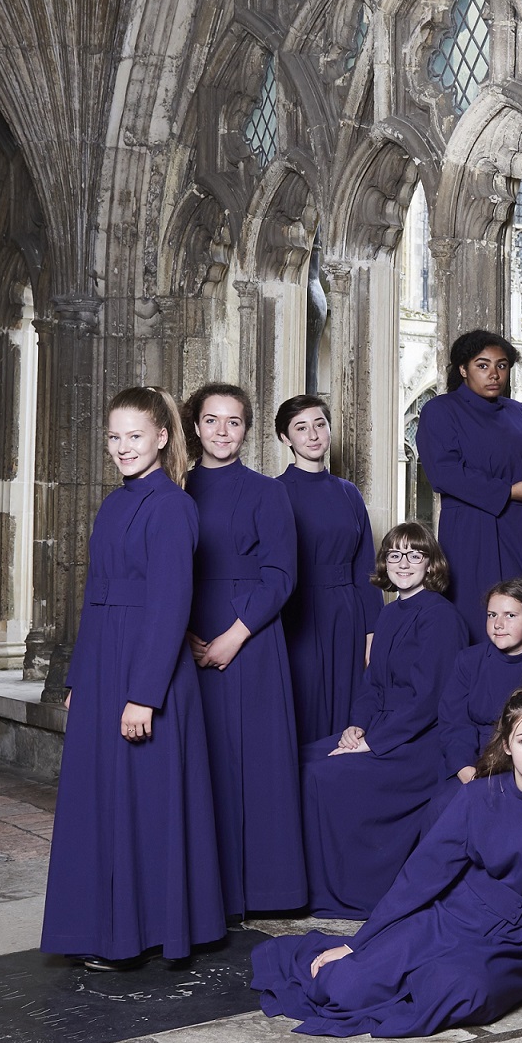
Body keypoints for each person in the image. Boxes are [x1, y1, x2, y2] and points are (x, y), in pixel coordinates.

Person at [251, 689, 522, 1037]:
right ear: (508, 745)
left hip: (516, 945)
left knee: (457, 992)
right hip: (450, 920)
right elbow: (419, 877)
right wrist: (358, 943)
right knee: (340, 986)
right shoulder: (477, 796)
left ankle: (418, 978)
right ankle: (377, 964)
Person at [42, 387, 222, 971]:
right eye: (114, 437)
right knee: (101, 802)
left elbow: (171, 606)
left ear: (162, 438)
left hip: (149, 671)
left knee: (144, 803)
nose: (122, 448)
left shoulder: (172, 506)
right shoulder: (114, 503)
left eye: (134, 436)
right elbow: (93, 598)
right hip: (103, 667)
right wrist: (78, 677)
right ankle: (103, 926)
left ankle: (141, 934)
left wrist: (143, 695)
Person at [299, 520, 472, 917]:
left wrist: (372, 743)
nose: (404, 562)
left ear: (431, 564)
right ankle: (302, 886)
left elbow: (427, 702)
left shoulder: (440, 617)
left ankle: (348, 892)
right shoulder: (391, 614)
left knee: (321, 776)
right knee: (302, 760)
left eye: (415, 554)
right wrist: (356, 726)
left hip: (420, 745)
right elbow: (372, 684)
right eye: (395, 554)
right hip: (380, 728)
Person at [184, 384, 305, 918]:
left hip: (252, 636)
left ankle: (262, 891)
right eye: (212, 421)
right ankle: (208, 892)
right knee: (201, 762)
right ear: (194, 427)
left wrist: (235, 635)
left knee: (254, 763)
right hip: (187, 634)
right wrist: (181, 632)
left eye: (234, 422)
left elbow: (282, 575)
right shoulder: (176, 489)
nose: (222, 432)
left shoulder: (266, 492)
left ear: (248, 430)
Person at [415, 330, 522, 632]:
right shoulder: (440, 410)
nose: (494, 374)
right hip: (472, 533)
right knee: (476, 618)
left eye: (502, 366)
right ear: (463, 369)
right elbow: (444, 473)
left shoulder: (518, 411)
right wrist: (507, 491)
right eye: (483, 365)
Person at [275, 395, 382, 746]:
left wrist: (372, 634)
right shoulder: (273, 493)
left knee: (348, 705)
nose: (313, 435)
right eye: (301, 428)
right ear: (286, 439)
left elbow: (365, 568)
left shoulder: (349, 494)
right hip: (296, 613)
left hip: (346, 614)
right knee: (302, 706)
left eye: (320, 424)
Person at [438, 577, 522, 784]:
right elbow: (453, 723)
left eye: (510, 615)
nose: (498, 624)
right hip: (473, 762)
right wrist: (467, 771)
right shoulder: (468, 660)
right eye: (491, 615)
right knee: (447, 808)